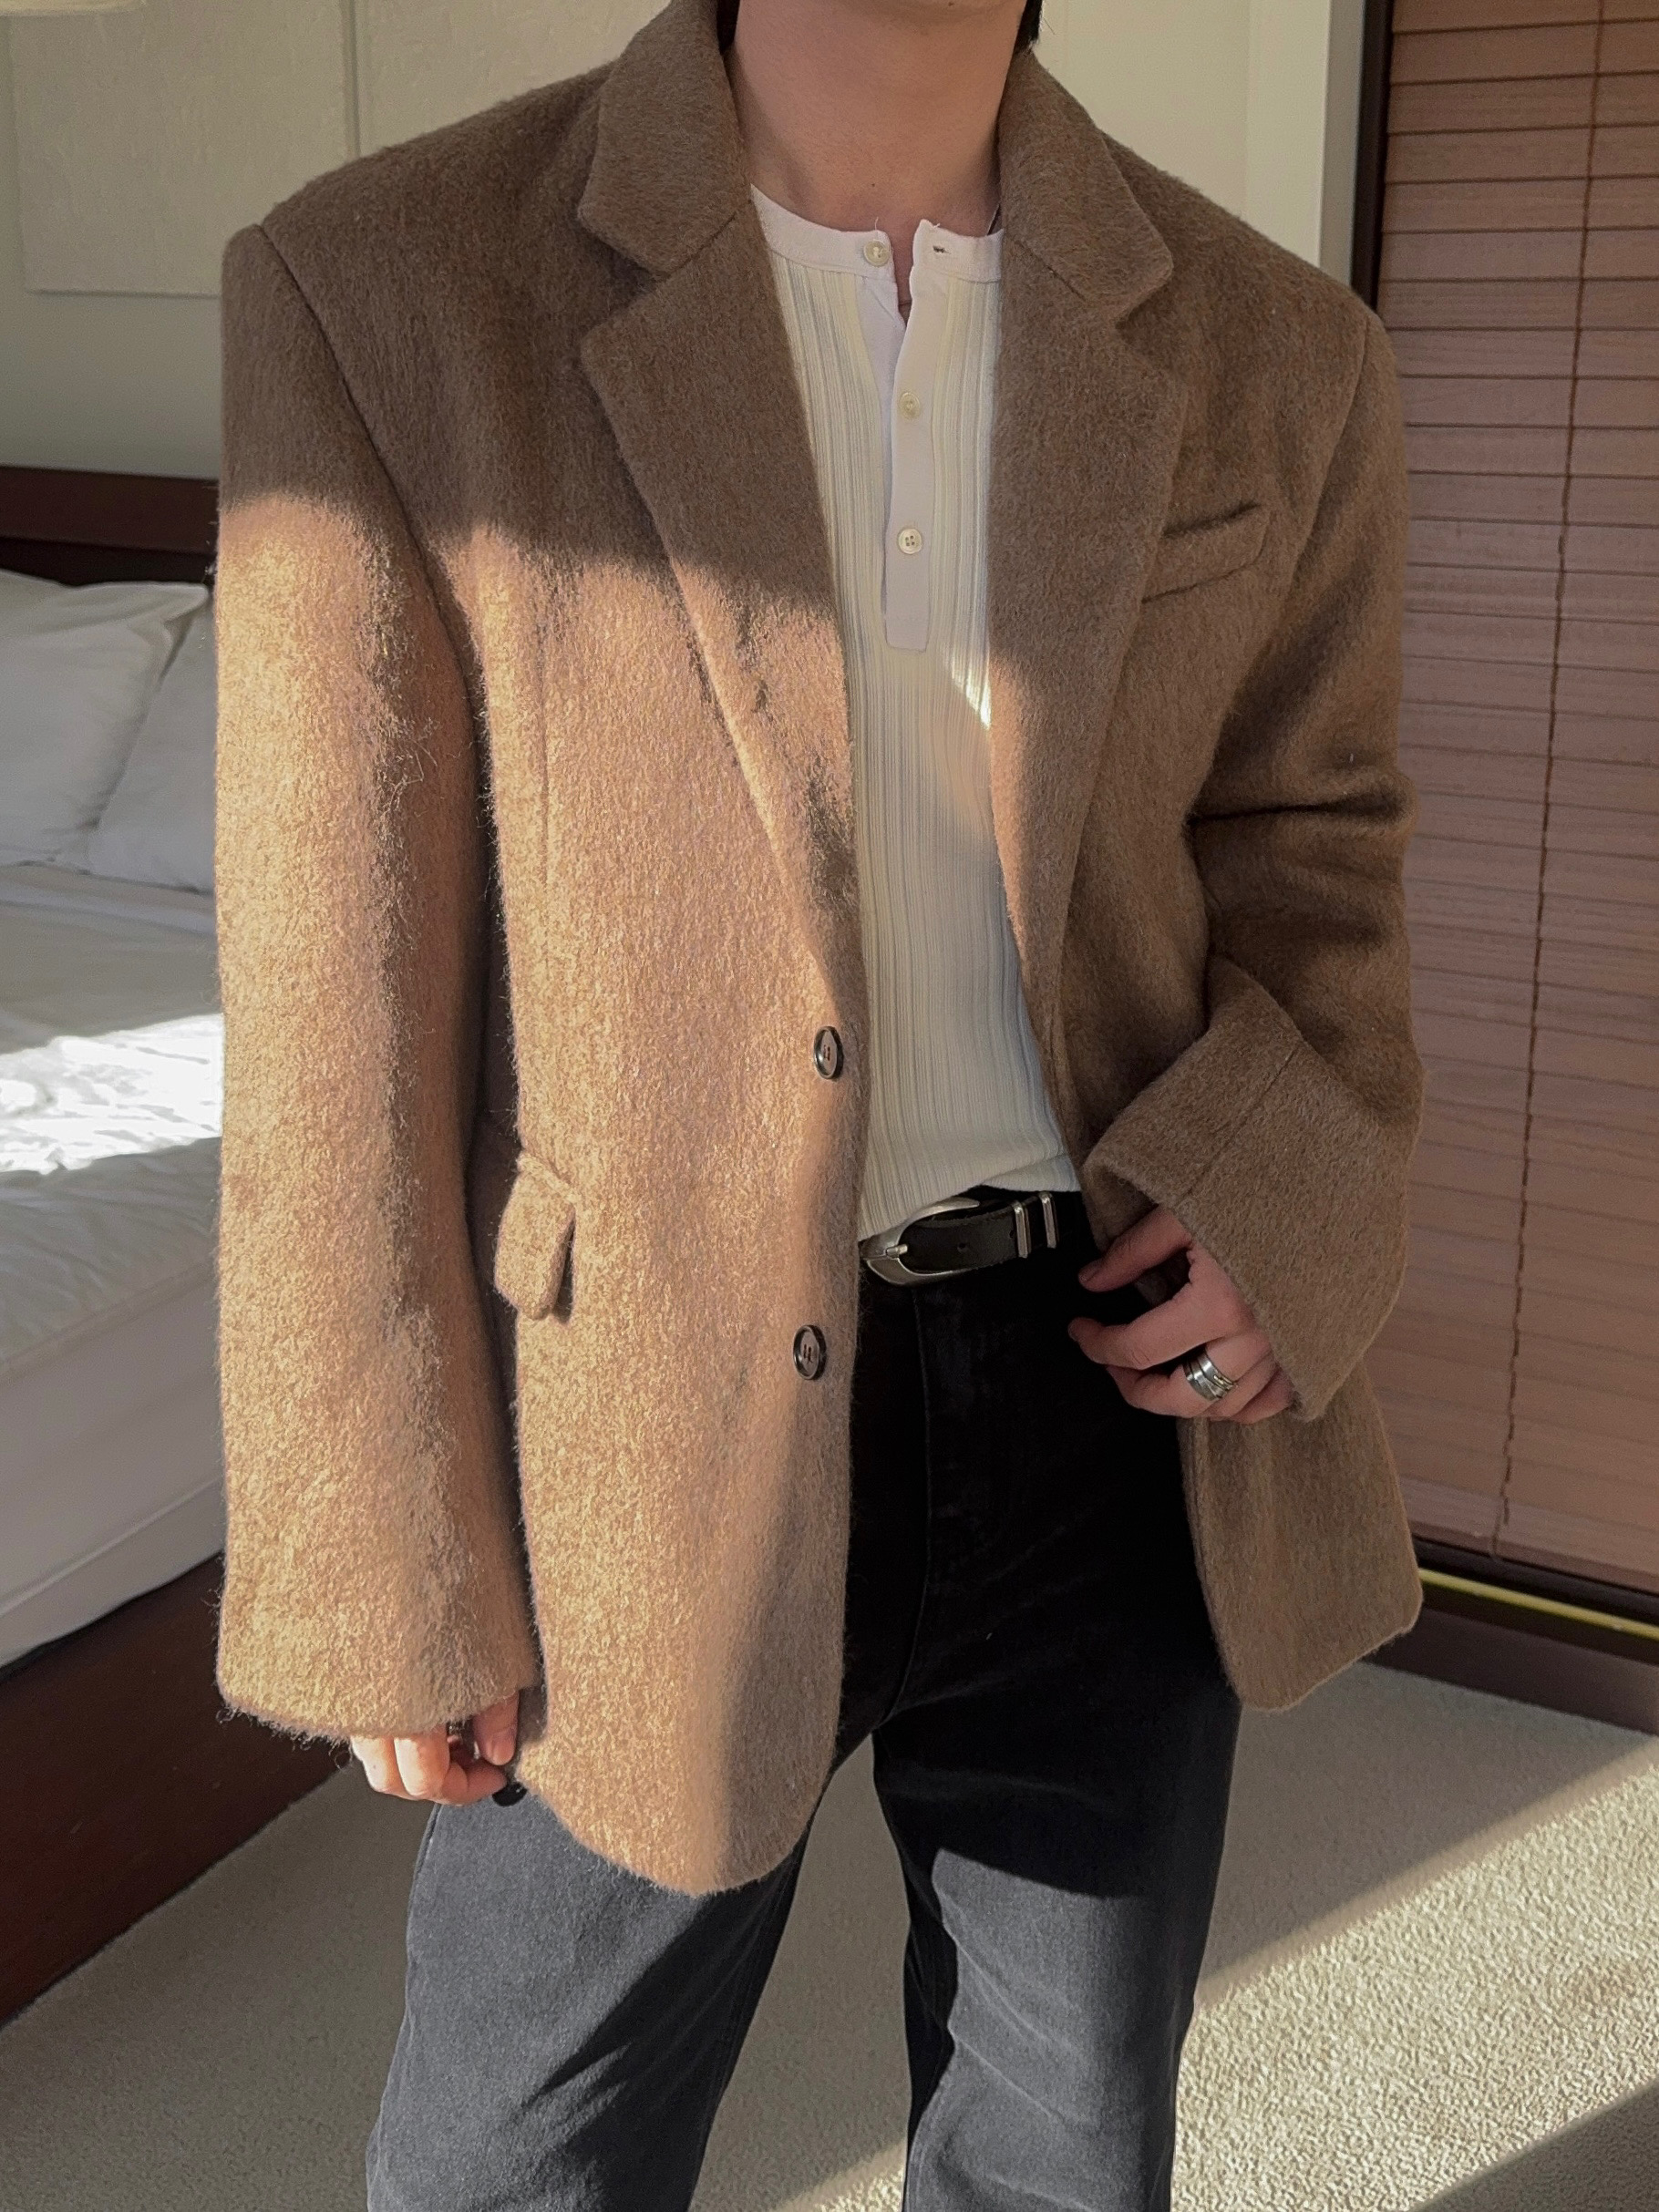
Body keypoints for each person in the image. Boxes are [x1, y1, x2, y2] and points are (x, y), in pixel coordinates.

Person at [210, 0, 1426, 2204]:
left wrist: (1283, 1192)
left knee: (1064, 2148)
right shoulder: (386, 285)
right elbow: (330, 992)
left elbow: (1313, 849)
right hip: (624, 1420)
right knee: (514, 2161)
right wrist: (378, 1543)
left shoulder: (1280, 347)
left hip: (1104, 1396)